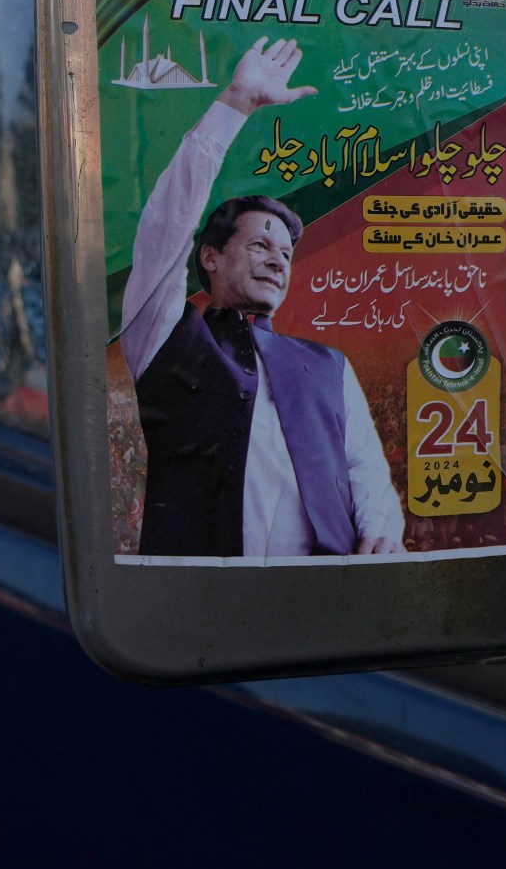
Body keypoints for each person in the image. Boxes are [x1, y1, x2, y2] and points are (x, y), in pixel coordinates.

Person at [121, 36, 405, 558]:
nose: (278, 259)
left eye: (285, 253)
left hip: (325, 598)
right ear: (210, 256)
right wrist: (236, 104)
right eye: (259, 244)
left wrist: (383, 529)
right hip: (202, 604)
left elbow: (364, 469)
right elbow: (165, 226)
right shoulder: (160, 332)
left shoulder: (330, 366)